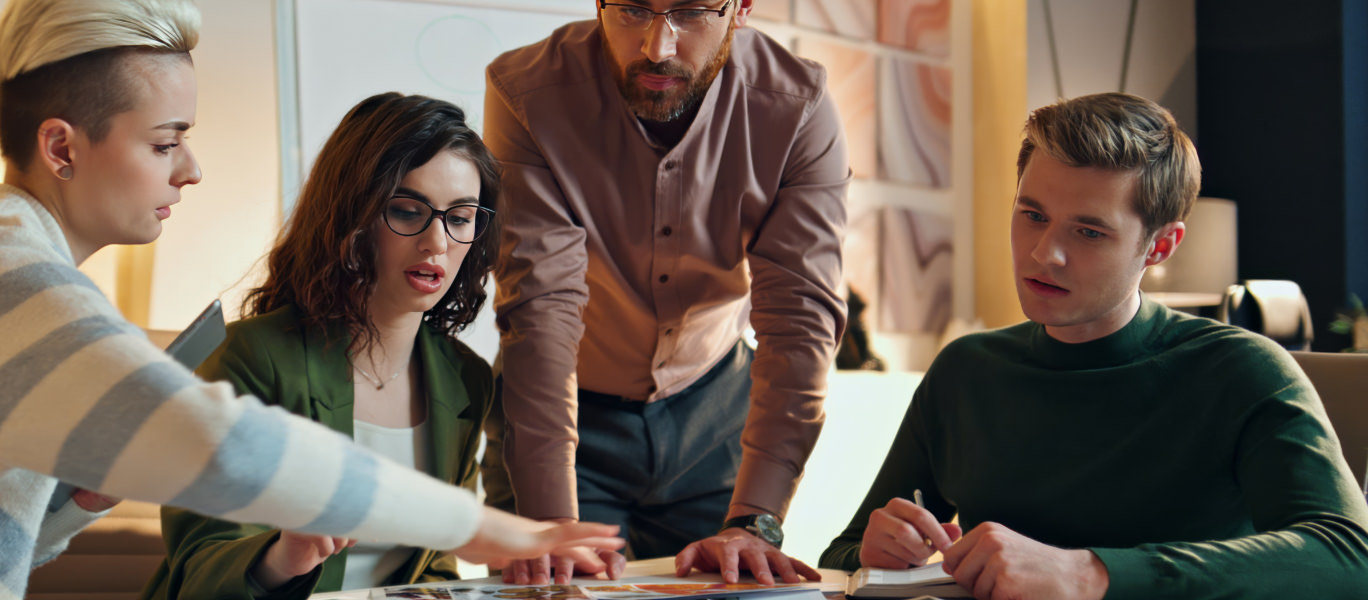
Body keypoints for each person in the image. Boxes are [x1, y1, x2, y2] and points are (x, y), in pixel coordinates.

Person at [0, 2, 622, 598]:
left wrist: (74, 503)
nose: (193, 168)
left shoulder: (8, 263)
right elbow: (225, 445)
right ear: (62, 146)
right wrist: (504, 533)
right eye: (167, 141)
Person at [818, 93, 1368, 599]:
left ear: (1160, 245)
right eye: (1032, 215)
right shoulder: (966, 370)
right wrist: (877, 550)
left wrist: (1091, 573)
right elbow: (841, 554)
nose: (1044, 254)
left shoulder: (1240, 370)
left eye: (1088, 232)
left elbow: (1349, 558)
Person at [482, 0, 848, 585]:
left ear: (742, 8)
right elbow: (540, 308)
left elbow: (800, 318)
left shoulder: (796, 108)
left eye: (693, 11)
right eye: (631, 10)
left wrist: (757, 520)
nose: (659, 45)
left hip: (718, 420)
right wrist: (551, 522)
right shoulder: (528, 94)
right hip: (564, 414)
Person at [142, 92, 542, 599]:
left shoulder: (465, 377)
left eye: (460, 218)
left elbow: (433, 568)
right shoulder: (248, 357)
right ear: (352, 214)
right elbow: (198, 566)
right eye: (406, 210)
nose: (438, 243)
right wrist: (285, 556)